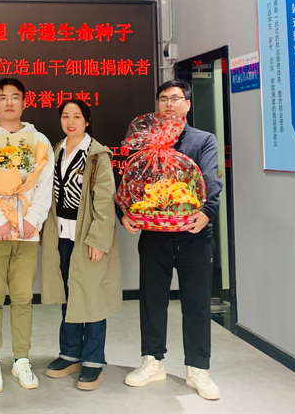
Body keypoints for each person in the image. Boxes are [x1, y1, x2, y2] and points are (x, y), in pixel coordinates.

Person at [121, 79, 223, 400]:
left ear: (187, 105)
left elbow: (210, 180)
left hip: (194, 234)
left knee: (196, 303)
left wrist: (207, 212)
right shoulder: (146, 142)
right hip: (154, 235)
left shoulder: (203, 140)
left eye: (176, 98)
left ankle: (198, 368)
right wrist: (126, 212)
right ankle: (152, 361)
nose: (169, 104)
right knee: (152, 300)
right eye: (163, 98)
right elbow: (133, 183)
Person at [0, 77, 54, 393]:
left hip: (27, 232)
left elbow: (45, 185)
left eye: (15, 97)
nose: (9, 103)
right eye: (2, 97)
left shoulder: (39, 140)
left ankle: (21, 359)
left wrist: (32, 219)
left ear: (24, 102)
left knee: (23, 299)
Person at [41, 100, 122, 391]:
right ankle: (70, 353)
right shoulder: (55, 150)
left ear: (87, 121)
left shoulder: (97, 155)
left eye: (77, 116)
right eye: (65, 116)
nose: (70, 121)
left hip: (87, 238)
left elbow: (105, 202)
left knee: (92, 298)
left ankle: (94, 360)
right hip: (61, 236)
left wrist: (98, 240)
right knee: (69, 295)